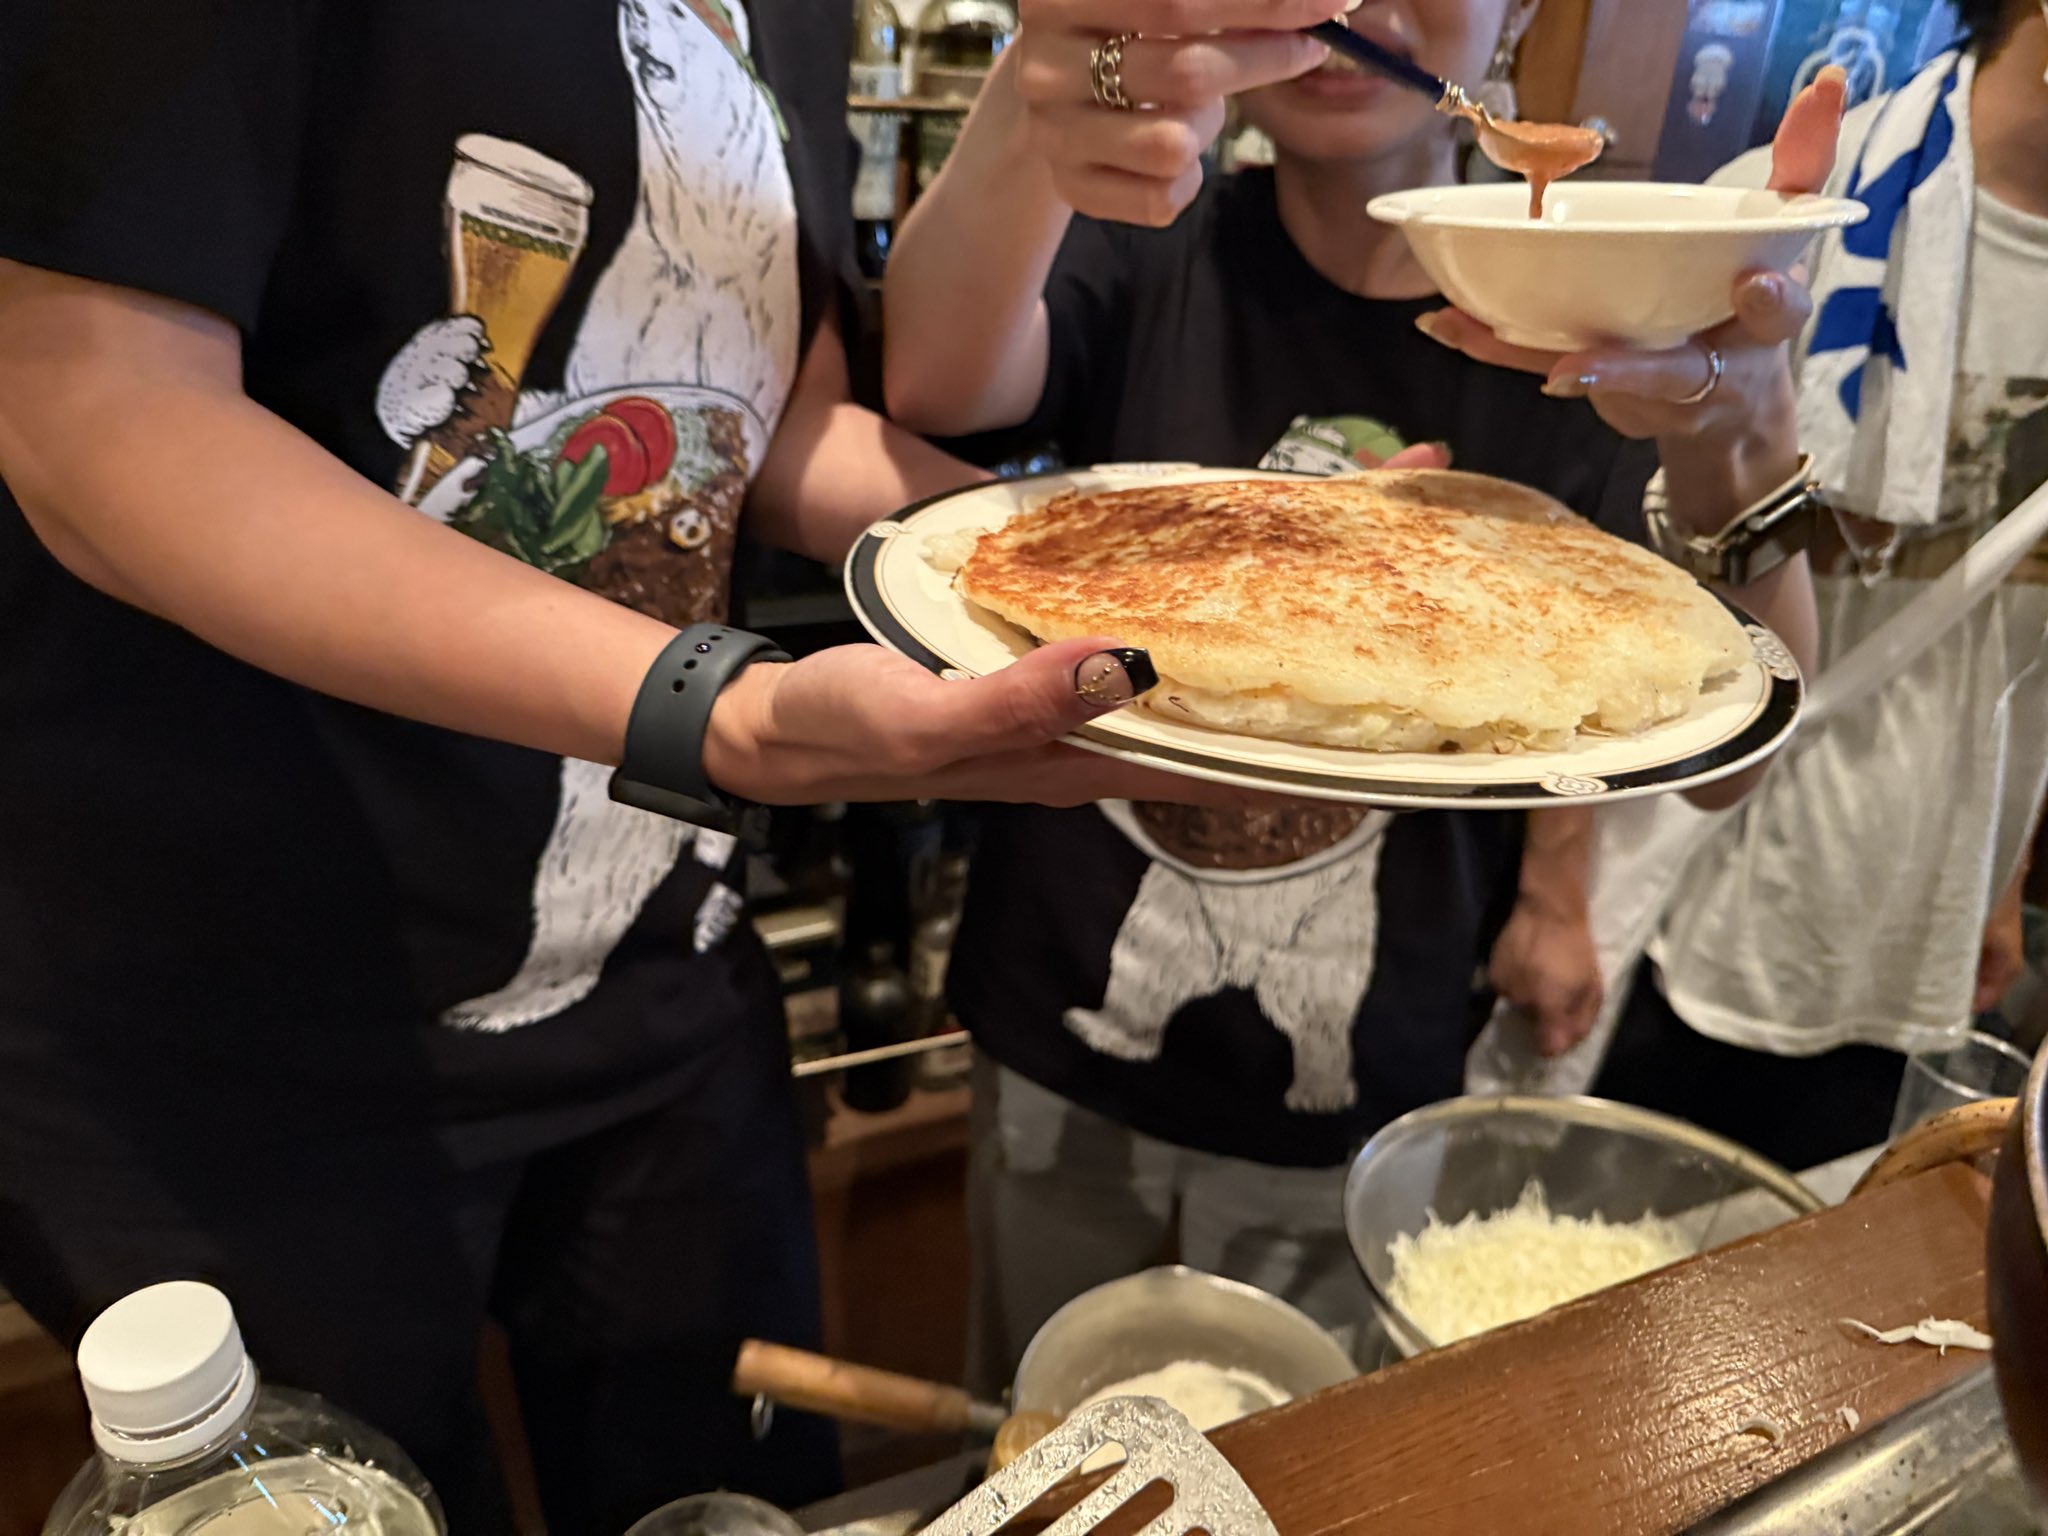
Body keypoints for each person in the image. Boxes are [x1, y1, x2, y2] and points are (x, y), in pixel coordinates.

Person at [0, 2, 1291, 1530]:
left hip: (657, 961)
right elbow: (99, 418)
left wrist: (1180, 576)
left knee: (736, 1500)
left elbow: (782, 421)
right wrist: (716, 708)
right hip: (230, 1024)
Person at [884, 0, 1831, 1386]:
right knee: (1041, 1437)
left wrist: (1744, 440)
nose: (1357, 11)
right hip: (1069, 1022)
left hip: (1365, 1059)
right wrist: (1052, 88)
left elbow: (1704, 742)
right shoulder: (1136, 240)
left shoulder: (1584, 315)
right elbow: (936, 380)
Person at [1426, 0, 2048, 1169]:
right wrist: (1554, 896)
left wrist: (1999, 879)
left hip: (1916, 923)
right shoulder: (1774, 216)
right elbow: (1592, 595)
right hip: (1688, 905)